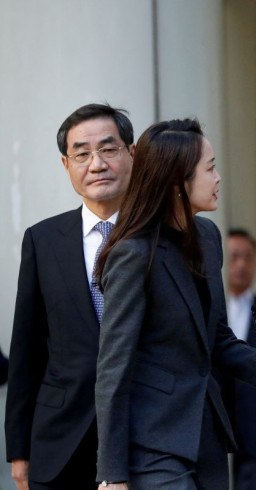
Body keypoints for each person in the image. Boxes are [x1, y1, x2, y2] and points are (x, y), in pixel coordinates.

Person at [93, 118, 256, 490]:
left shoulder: (206, 237)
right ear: (177, 182)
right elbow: (114, 367)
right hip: (151, 444)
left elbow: (219, 340)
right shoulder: (132, 255)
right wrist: (111, 474)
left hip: (206, 437)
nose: (218, 177)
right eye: (209, 168)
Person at [5, 103, 135, 490]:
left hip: (141, 436)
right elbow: (26, 351)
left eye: (109, 149)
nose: (96, 164)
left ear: (133, 153)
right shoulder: (42, 240)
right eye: (82, 154)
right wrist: (19, 449)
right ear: (67, 165)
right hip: (60, 442)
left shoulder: (160, 237)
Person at [220, 228, 256, 489]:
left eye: (247, 257)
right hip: (218, 430)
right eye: (234, 257)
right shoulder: (210, 308)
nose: (241, 264)